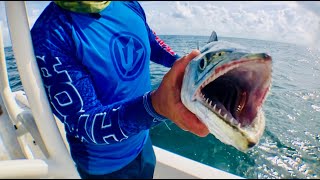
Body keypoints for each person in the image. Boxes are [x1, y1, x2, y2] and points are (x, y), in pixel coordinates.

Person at [30, 1, 209, 179]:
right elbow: (86, 123)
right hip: (106, 169)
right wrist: (156, 107)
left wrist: (189, 67)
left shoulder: (129, 4)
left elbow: (151, 42)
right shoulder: (49, 35)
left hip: (143, 144)